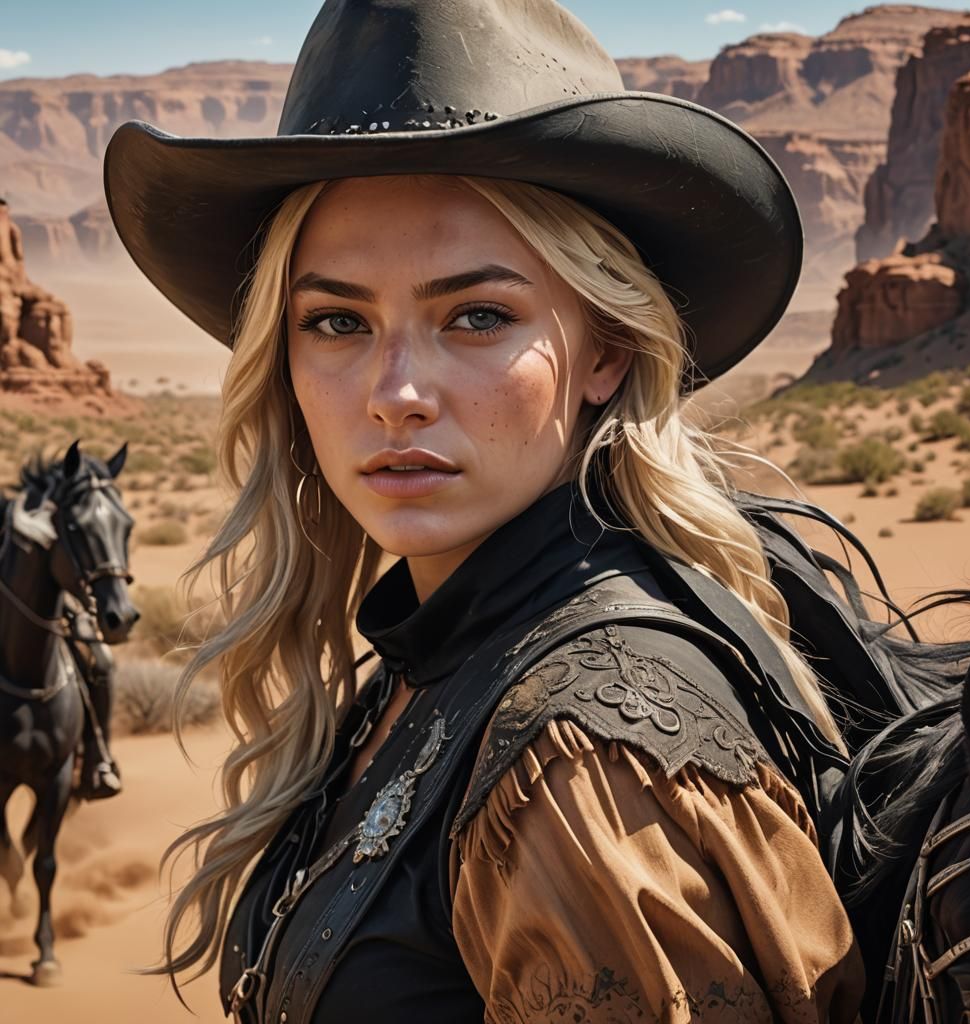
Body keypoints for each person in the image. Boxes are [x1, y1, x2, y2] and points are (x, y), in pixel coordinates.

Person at [104, 1, 867, 1021]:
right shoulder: (448, 652)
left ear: (607, 351)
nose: (395, 390)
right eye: (336, 320)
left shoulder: (592, 762)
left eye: (477, 315)